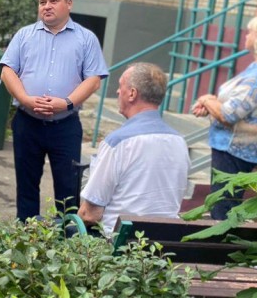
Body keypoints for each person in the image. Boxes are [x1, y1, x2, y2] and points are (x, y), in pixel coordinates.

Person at [0, 0, 108, 220]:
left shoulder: (86, 38)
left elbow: (93, 79)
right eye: (42, 2)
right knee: (26, 185)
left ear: (69, 4)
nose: (46, 6)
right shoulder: (24, 35)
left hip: (65, 125)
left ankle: (66, 239)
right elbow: (7, 71)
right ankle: (27, 239)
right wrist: (25, 99)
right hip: (28, 123)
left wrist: (67, 103)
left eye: (53, 1)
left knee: (68, 189)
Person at [191, 14, 257, 221]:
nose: (246, 35)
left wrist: (207, 100)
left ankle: (217, 250)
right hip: (240, 146)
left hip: (233, 149)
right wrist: (212, 104)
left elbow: (228, 115)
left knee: (222, 210)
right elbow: (238, 103)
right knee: (226, 205)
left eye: (250, 31)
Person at [78, 63, 191, 236]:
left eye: (120, 85)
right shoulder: (180, 142)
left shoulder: (117, 142)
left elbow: (90, 214)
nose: (117, 91)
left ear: (132, 93)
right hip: (164, 244)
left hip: (118, 246)